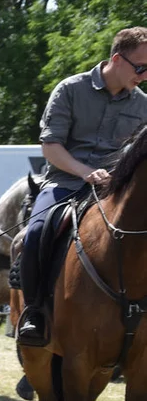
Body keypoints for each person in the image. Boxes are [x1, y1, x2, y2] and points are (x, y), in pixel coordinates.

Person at [17, 27, 147, 346]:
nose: (144, 76)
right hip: (65, 182)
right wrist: (86, 172)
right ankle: (35, 312)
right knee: (34, 233)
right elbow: (51, 146)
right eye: (141, 68)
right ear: (117, 59)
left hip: (116, 192)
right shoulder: (71, 89)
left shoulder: (143, 105)